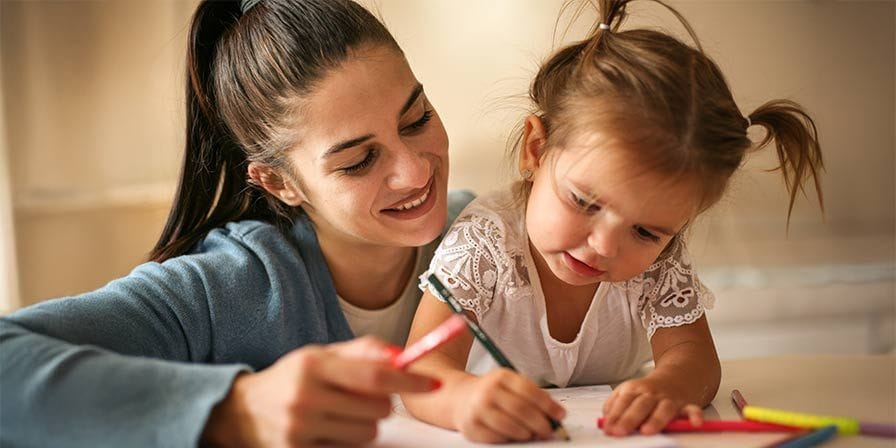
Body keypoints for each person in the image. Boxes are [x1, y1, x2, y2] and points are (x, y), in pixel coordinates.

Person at [0, 0, 475, 446]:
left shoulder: (490, 232)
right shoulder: (220, 289)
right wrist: (236, 409)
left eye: (416, 119)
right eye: (358, 161)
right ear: (277, 182)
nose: (415, 171)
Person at [400, 0, 824, 443]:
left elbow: (694, 359)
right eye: (584, 201)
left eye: (645, 231)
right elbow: (420, 369)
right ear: (536, 151)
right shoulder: (484, 242)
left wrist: (668, 387)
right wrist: (466, 400)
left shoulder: (659, 263)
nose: (604, 245)